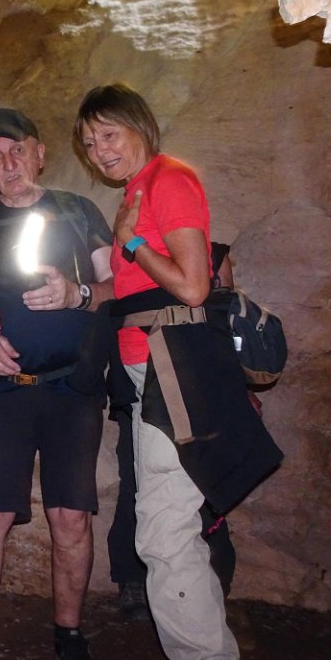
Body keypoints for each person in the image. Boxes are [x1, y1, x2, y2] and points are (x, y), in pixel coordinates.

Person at [0, 108, 114, 660]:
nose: (8, 163)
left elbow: (118, 288)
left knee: (71, 516)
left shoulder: (78, 212)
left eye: (17, 151)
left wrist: (78, 295)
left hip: (71, 389)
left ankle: (69, 633)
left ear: (39, 154)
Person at [74, 84, 240, 660]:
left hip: (173, 371)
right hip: (151, 372)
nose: (100, 150)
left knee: (165, 533)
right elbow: (136, 291)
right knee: (164, 528)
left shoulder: (169, 180)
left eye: (109, 134)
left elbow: (193, 286)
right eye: (89, 143)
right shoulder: (139, 189)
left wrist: (133, 242)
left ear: (140, 126)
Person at [107, 240, 239, 621]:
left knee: (202, 484)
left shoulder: (213, 255)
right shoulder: (135, 255)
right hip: (142, 379)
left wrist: (237, 386)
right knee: (137, 482)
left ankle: (208, 575)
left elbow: (225, 316)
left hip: (197, 380)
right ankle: (134, 578)